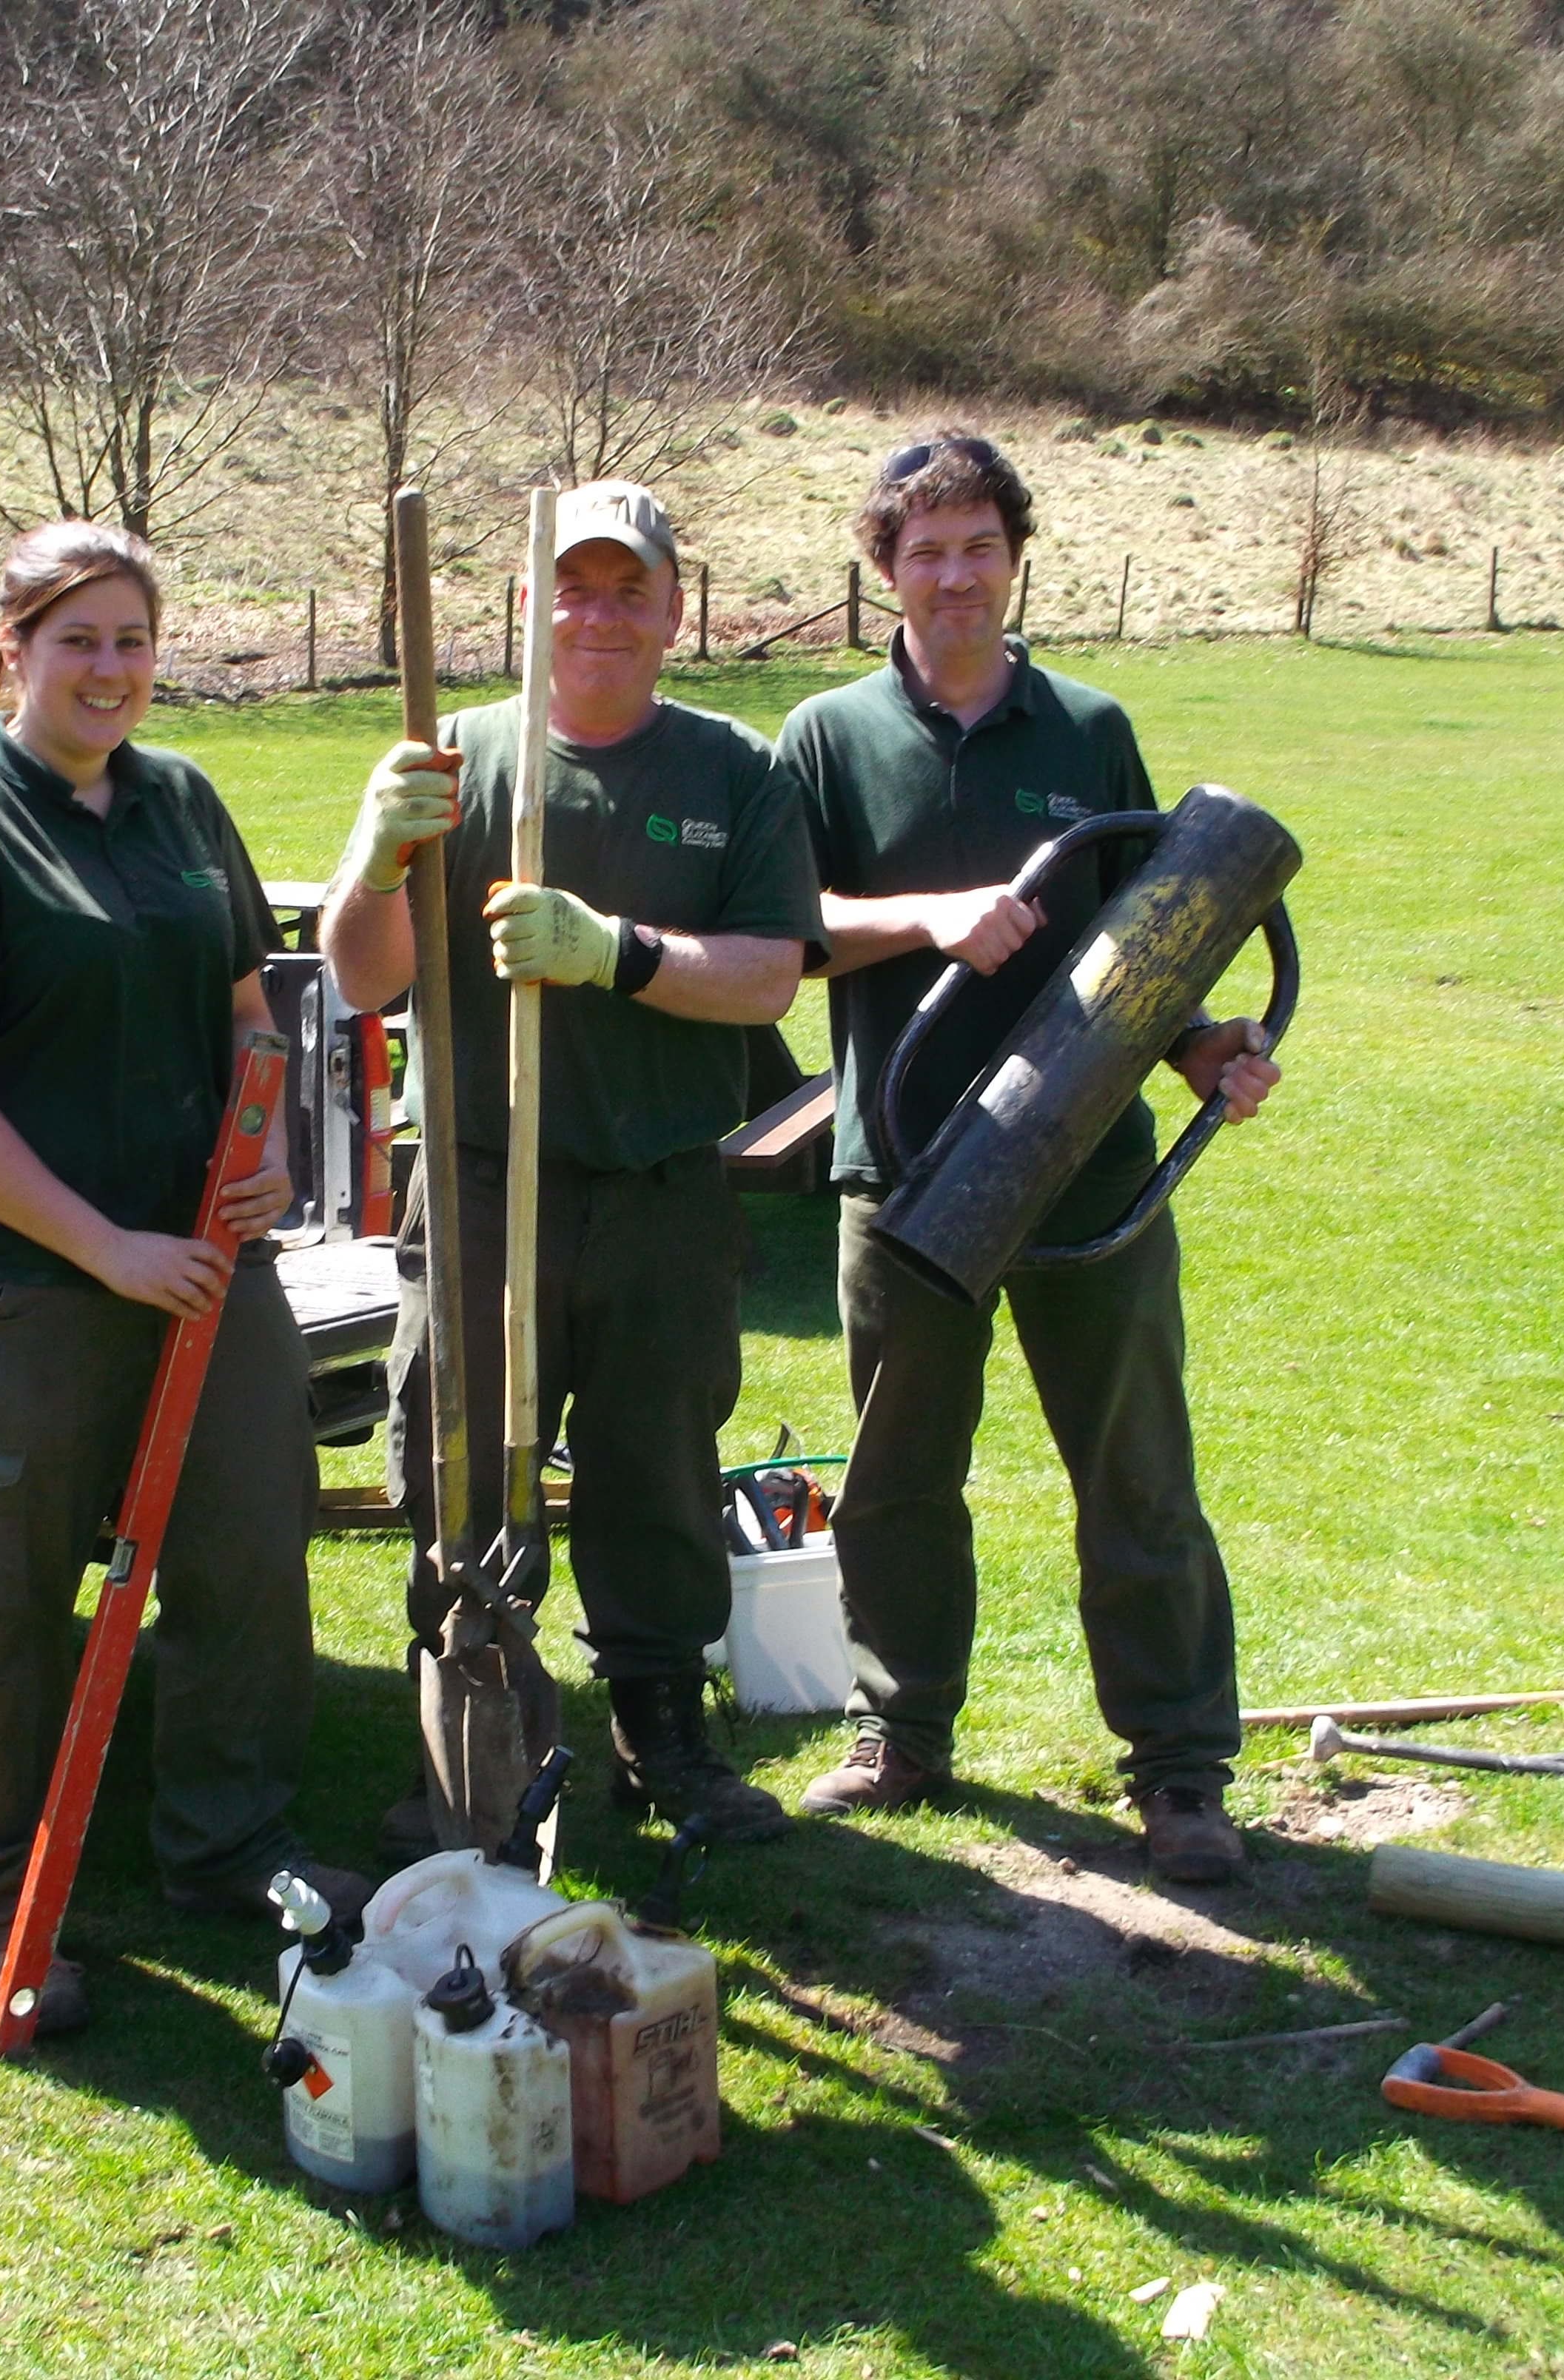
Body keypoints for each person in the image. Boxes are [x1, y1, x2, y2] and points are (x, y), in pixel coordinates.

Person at [0, 520, 369, 2035]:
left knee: (246, 1556)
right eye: (77, 639)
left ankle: (229, 1851)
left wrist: (268, 1155)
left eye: (131, 639)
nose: (108, 669)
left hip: (205, 1262)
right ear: (13, 650)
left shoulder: (181, 800)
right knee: (9, 1593)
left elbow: (249, 1008)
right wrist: (105, 1248)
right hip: (31, 1284)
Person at [771, 434, 1282, 1884]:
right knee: (896, 1476)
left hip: (1091, 1167)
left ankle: (1179, 1772)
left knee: (1135, 1473)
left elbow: (1149, 941)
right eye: (926, 550)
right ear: (884, 568)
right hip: (904, 1167)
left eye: (978, 547)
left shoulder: (1088, 730)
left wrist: (1205, 1051)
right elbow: (782, 929)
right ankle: (899, 1731)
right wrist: (928, 918)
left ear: (1013, 559)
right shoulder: (826, 736)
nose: (954, 576)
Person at [320, 479, 823, 1850]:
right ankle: (470, 1746)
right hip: (482, 1182)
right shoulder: (453, 756)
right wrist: (379, 860)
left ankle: (661, 1739)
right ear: (529, 606)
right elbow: (363, 978)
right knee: (460, 1463)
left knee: (657, 1466)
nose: (599, 614)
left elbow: (769, 979)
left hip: (661, 1185)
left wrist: (616, 954)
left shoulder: (733, 772)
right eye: (574, 587)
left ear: (674, 610)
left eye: (628, 589)